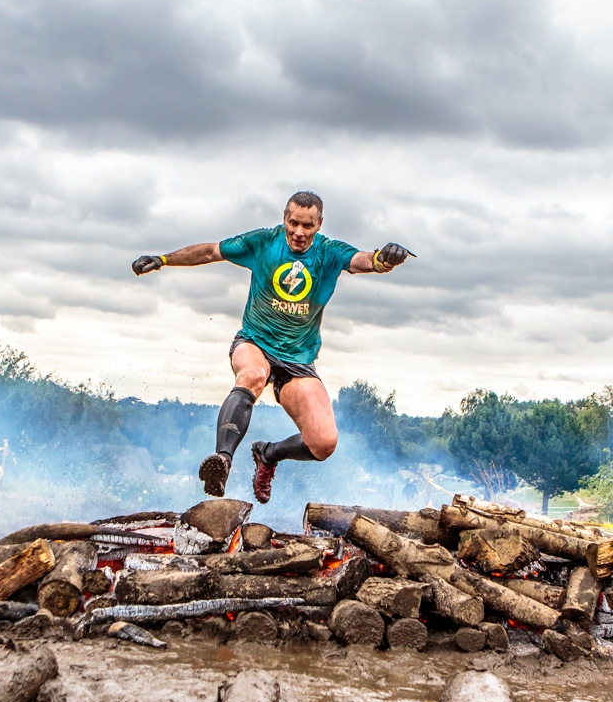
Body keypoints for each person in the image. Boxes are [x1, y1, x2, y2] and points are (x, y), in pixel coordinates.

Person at [132, 191, 412, 503]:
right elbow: (211, 251)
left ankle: (267, 455)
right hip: (254, 342)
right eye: (293, 223)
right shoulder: (264, 242)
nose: (299, 232)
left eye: (308, 226)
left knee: (323, 442)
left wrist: (383, 259)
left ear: (319, 224)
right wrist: (163, 259)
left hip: (297, 360)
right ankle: (222, 460)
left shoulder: (329, 252)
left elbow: (362, 260)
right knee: (252, 375)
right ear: (284, 218)